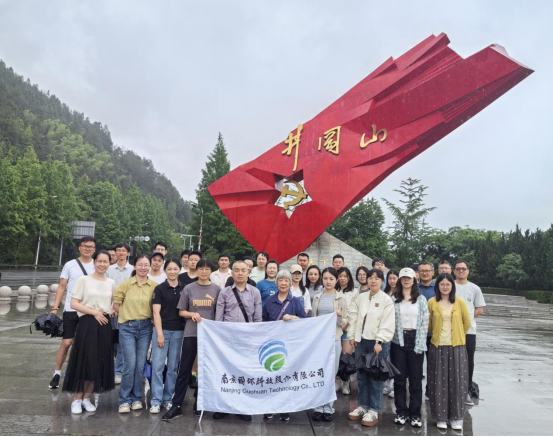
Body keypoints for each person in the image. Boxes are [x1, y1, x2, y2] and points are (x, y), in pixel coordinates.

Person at [163, 259, 221, 421]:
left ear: (211, 271)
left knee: (205, 370)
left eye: (207, 269)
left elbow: (219, 313)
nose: (204, 271)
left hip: (209, 336)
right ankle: (177, 405)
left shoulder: (217, 289)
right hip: (191, 333)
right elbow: (181, 311)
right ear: (197, 270)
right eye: (201, 268)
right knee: (184, 370)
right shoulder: (189, 288)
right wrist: (192, 314)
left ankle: (199, 402)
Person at [62, 250, 116, 415]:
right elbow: (74, 303)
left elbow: (113, 304)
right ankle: (77, 399)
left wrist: (112, 311)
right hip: (87, 324)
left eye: (105, 261)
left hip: (104, 325)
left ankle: (87, 397)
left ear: (109, 263)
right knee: (85, 361)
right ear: (94, 262)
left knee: (98, 362)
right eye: (99, 261)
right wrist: (94, 312)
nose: (102, 264)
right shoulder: (84, 280)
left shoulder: (111, 283)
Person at [213, 260, 263, 422]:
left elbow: (258, 318)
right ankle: (223, 406)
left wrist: (255, 338)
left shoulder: (255, 292)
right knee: (225, 372)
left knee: (244, 373)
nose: (240, 273)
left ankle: (243, 407)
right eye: (237, 270)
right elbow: (219, 318)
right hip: (228, 339)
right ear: (232, 273)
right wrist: (219, 339)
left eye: (243, 270)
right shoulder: (224, 292)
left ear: (248, 272)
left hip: (247, 339)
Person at [347, 269, 395, 427]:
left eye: (377, 278)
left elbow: (387, 323)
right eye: (370, 278)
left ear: (382, 281)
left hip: (377, 344)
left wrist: (380, 341)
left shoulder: (386, 300)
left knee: (375, 376)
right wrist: (352, 336)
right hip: (361, 341)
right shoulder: (361, 297)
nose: (373, 281)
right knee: (362, 375)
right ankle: (363, 406)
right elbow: (353, 316)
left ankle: (374, 409)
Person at [49, 236, 97, 390]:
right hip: (71, 309)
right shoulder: (70, 265)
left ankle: (75, 373)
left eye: (90, 246)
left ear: (94, 249)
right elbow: (62, 287)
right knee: (67, 342)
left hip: (89, 311)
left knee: (83, 344)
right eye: (85, 246)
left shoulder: (97, 265)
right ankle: (57, 373)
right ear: (80, 248)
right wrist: (55, 307)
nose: (87, 249)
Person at [113, 255, 158, 414]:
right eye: (140, 264)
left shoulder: (154, 286)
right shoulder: (125, 285)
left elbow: (156, 307)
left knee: (140, 365)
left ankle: (136, 398)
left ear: (150, 267)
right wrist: (126, 316)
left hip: (146, 328)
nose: (143, 268)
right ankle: (124, 400)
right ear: (135, 266)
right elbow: (116, 305)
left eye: (146, 265)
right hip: (128, 328)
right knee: (129, 364)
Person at [427, 273, 471, 431]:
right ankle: (441, 417)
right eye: (442, 284)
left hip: (457, 347)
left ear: (452, 286)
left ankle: (455, 418)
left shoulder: (459, 302)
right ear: (437, 286)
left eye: (448, 284)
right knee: (438, 382)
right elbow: (429, 325)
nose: (445, 287)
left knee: (457, 383)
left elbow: (467, 323)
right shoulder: (432, 302)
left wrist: (457, 336)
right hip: (437, 346)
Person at [262, 270, 307, 422]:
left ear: (290, 283)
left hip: (289, 345)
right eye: (280, 280)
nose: (283, 283)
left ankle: (284, 408)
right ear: (276, 283)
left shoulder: (295, 301)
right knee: (271, 376)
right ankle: (270, 407)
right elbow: (263, 321)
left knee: (286, 377)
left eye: (286, 280)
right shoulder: (269, 301)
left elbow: (304, 321)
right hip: (272, 345)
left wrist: (293, 317)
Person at [391, 268, 429, 428]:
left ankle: (415, 414)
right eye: (404, 278)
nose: (406, 280)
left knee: (415, 379)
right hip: (397, 341)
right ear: (400, 280)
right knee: (399, 379)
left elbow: (425, 322)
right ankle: (401, 412)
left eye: (409, 278)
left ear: (414, 280)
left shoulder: (421, 299)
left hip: (415, 339)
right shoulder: (394, 299)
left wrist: (420, 343)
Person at [311, 267, 348, 423]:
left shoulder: (341, 298)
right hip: (319, 340)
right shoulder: (317, 297)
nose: (328, 281)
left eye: (331, 279)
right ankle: (318, 406)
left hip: (334, 339)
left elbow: (345, 322)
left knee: (331, 372)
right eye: (325, 278)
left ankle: (328, 406)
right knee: (319, 372)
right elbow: (313, 319)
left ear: (336, 280)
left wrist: (339, 317)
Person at [150, 259, 185, 414]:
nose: (172, 272)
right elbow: (156, 313)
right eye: (169, 269)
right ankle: (156, 400)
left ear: (179, 270)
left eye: (175, 269)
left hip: (179, 332)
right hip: (162, 331)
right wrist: (159, 334)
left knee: (173, 367)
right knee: (157, 367)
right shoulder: (159, 289)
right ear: (165, 271)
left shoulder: (185, 288)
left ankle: (167, 398)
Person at [453, 260, 486, 407]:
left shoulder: (474, 288)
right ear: (454, 271)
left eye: (463, 269)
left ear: (468, 271)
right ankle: (451, 389)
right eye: (458, 269)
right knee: (450, 360)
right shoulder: (450, 286)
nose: (461, 271)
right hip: (450, 330)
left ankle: (465, 390)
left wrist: (465, 320)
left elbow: (479, 309)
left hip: (469, 331)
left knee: (468, 361)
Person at [106, 242, 134, 385]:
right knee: (109, 341)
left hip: (126, 311)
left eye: (124, 250)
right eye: (118, 250)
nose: (121, 253)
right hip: (110, 310)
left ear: (128, 253)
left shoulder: (133, 270)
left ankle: (118, 371)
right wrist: (110, 308)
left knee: (122, 342)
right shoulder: (109, 269)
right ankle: (107, 370)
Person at [336, 267, 358, 396]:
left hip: (347, 329)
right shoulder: (334, 291)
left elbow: (354, 311)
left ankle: (345, 382)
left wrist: (345, 325)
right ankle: (337, 381)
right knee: (336, 356)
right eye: (340, 276)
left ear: (349, 278)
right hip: (334, 328)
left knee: (346, 357)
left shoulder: (354, 292)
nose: (342, 278)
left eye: (345, 276)